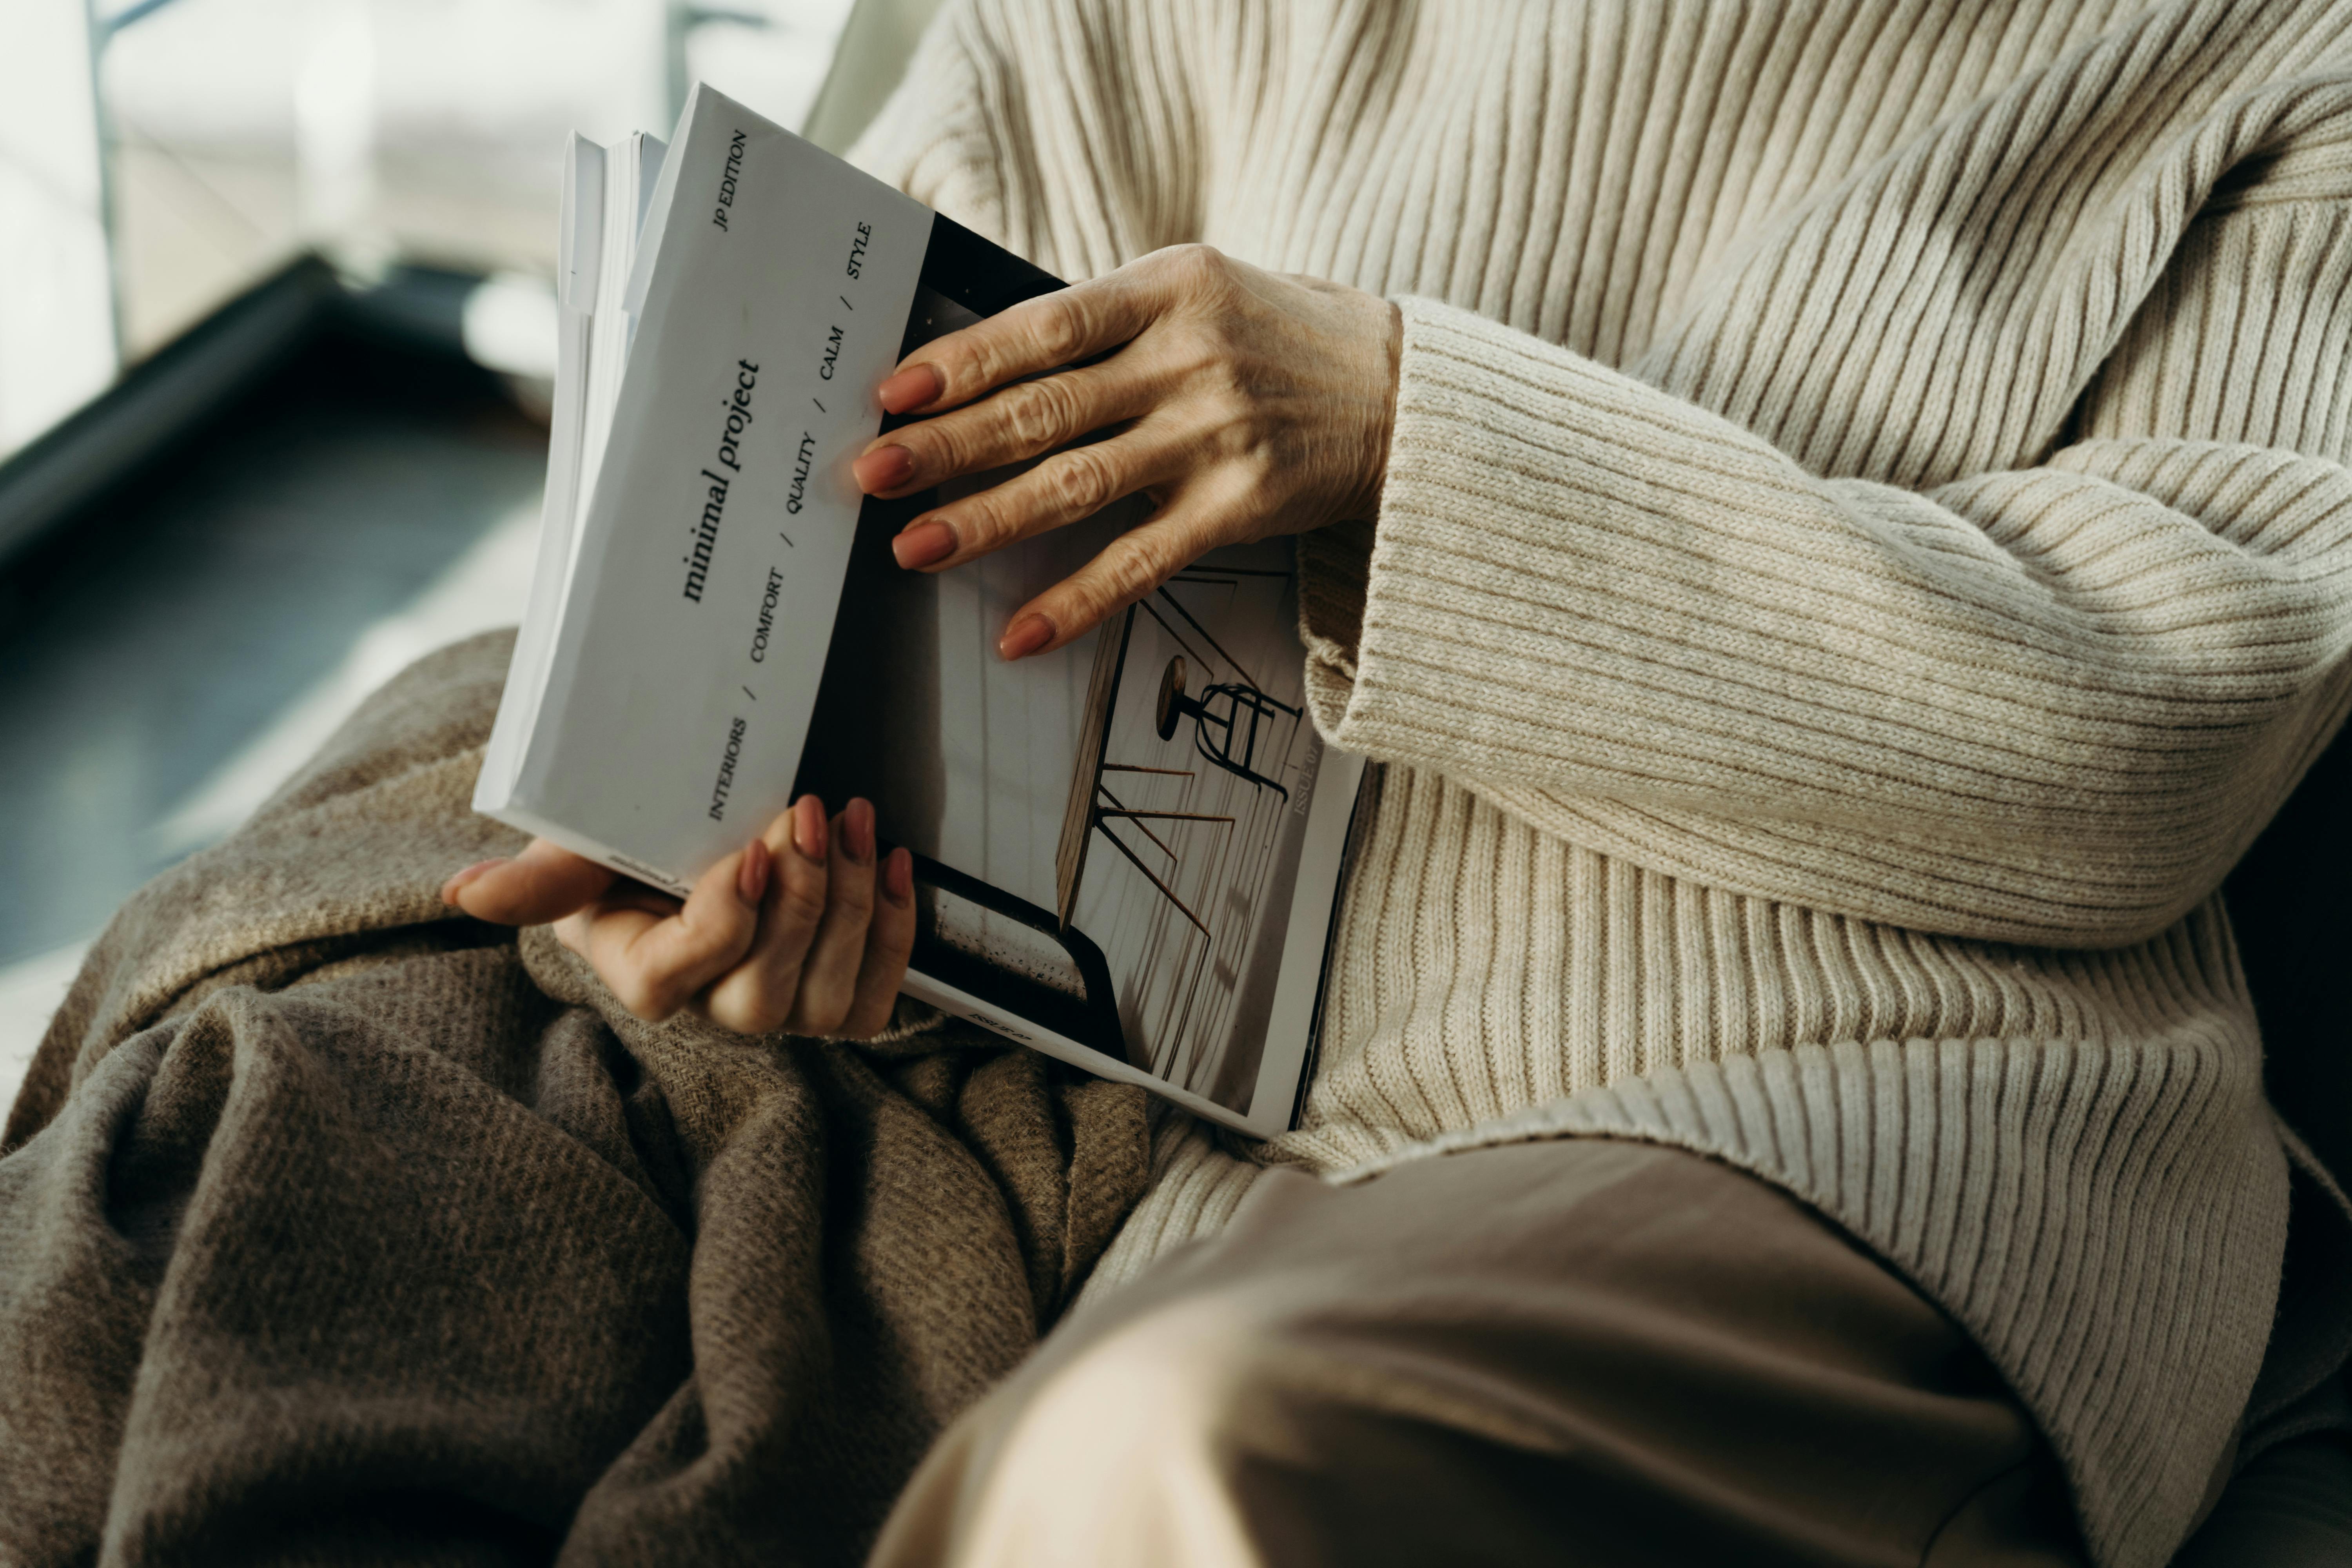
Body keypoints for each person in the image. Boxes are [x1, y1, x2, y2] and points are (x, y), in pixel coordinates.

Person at [425, 0, 2352, 1563]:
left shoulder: (2277, 52)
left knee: (1170, 1463)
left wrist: (1406, 430)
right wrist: (779, 871)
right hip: (1202, 1147)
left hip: (1854, 1101)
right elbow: (897, 489)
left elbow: (2161, 732)